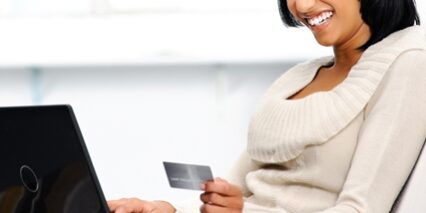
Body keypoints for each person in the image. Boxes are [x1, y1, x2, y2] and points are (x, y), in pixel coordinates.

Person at [108, 0, 426, 212]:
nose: (301, 5)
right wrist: (168, 209)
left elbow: (361, 209)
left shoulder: (409, 60)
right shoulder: (298, 76)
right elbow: (232, 194)